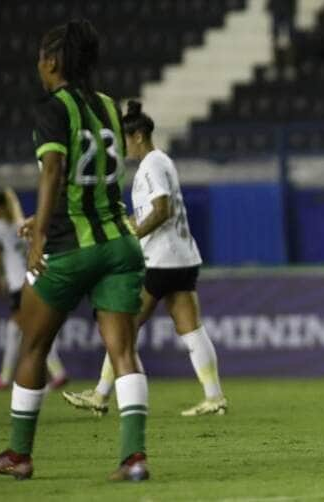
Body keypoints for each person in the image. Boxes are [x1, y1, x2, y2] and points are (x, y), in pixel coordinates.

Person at [0, 19, 149, 481]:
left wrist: (39, 236)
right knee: (123, 353)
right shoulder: (110, 107)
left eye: (42, 55)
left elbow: (55, 170)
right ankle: (134, 458)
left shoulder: (53, 108)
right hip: (119, 243)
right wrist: (47, 216)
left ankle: (19, 455)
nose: (38, 63)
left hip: (70, 250)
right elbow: (96, 176)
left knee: (33, 345)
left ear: (53, 61)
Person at [62, 100, 227, 417]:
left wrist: (134, 233)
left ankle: (99, 394)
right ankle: (214, 397)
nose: (123, 147)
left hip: (160, 261)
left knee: (123, 325)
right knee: (191, 329)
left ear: (137, 135)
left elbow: (161, 209)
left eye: (124, 139)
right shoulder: (163, 161)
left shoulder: (151, 164)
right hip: (184, 257)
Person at [0, 189, 68, 391]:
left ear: (0, 207)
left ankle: (9, 378)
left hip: (17, 286)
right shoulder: (23, 224)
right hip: (33, 282)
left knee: (28, 332)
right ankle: (54, 373)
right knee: (24, 331)